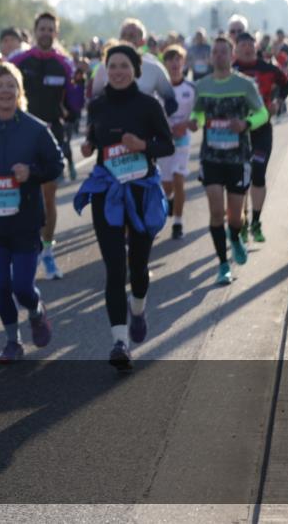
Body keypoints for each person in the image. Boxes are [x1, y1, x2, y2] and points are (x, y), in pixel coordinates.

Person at [74, 45, 173, 370]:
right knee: (115, 268)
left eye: (124, 66)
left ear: (135, 69)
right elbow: (94, 140)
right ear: (106, 70)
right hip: (108, 191)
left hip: (142, 190)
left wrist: (143, 145)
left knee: (139, 266)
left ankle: (139, 308)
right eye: (112, 66)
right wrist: (90, 146)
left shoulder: (148, 104)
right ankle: (120, 341)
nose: (117, 71)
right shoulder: (98, 105)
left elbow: (167, 144)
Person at [0, 63, 63, 362]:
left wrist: (31, 172)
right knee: (2, 285)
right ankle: (12, 341)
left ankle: (36, 310)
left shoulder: (36, 128)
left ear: (19, 91)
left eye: (11, 85)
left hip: (25, 220)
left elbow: (56, 165)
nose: (5, 91)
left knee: (21, 285)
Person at [191, 37, 269, 285]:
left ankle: (235, 236)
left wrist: (245, 124)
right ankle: (223, 265)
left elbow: (263, 114)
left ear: (231, 54)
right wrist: (196, 121)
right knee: (216, 212)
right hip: (211, 157)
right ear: (211, 56)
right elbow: (199, 112)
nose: (219, 56)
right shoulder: (202, 85)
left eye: (224, 52)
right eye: (215, 52)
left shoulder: (244, 85)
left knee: (234, 216)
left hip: (237, 158)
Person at [9, 12, 74, 278]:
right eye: (42, 28)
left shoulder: (64, 64)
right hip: (20, 136)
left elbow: (74, 102)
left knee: (49, 197)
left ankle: (47, 252)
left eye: (51, 29)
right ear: (35, 31)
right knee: (20, 196)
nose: (46, 32)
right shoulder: (19, 60)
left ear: (56, 33)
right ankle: (25, 252)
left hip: (52, 135)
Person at [232, 31, 288, 243]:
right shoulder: (230, 70)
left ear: (255, 47)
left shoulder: (268, 69)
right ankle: (242, 220)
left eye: (250, 44)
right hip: (237, 133)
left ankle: (255, 221)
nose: (247, 48)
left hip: (262, 129)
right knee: (240, 180)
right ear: (236, 49)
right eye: (242, 44)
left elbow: (286, 84)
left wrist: (278, 102)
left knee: (258, 174)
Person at [90, 18, 178, 116]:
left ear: (142, 42)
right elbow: (94, 99)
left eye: (132, 36)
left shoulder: (154, 67)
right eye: (123, 35)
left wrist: (155, 121)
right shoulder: (105, 67)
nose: (126, 39)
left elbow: (171, 101)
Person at [158, 45, 198, 238]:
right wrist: (165, 129)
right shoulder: (159, 91)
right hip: (164, 143)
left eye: (178, 59)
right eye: (170, 60)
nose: (174, 63)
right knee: (166, 186)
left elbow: (199, 116)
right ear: (164, 64)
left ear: (183, 63)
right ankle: (170, 199)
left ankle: (178, 223)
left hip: (182, 143)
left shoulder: (191, 89)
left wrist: (189, 124)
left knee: (178, 180)